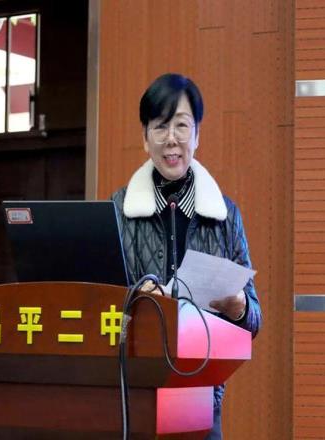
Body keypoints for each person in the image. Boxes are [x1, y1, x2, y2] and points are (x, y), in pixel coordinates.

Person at [111, 73, 262, 439]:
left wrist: (239, 307)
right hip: (135, 395)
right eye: (160, 126)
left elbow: (253, 321)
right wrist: (139, 299)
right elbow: (103, 302)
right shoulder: (119, 209)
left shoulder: (224, 215)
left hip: (201, 397)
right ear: (145, 137)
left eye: (181, 125)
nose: (171, 138)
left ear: (197, 135)